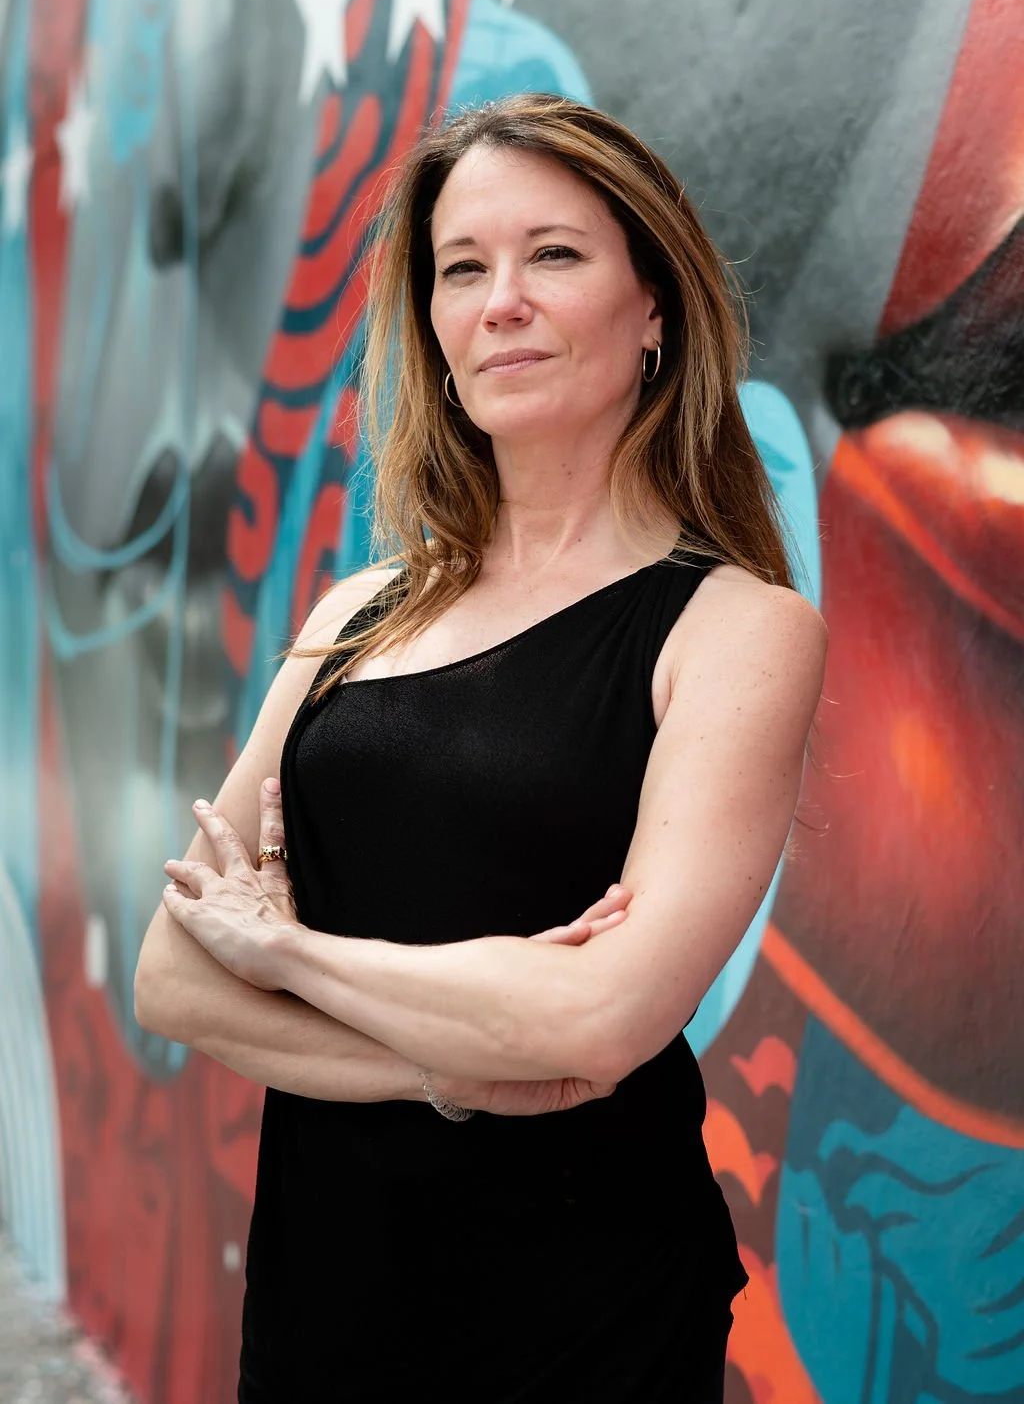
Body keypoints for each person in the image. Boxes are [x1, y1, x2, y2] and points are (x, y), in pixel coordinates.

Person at [134, 92, 828, 1403]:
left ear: (653, 309)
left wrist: (286, 953)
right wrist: (449, 1069)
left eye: (554, 254)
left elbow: (604, 1014)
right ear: (438, 331)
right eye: (463, 268)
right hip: (323, 1294)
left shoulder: (738, 628)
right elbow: (173, 976)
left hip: (586, 1315)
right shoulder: (359, 610)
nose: (500, 299)